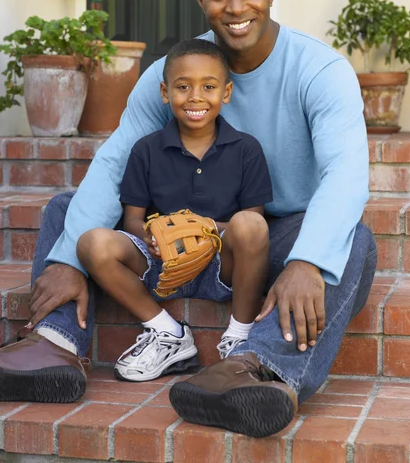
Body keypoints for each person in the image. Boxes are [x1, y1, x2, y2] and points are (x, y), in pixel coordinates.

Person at [0, 0, 377, 439]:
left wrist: (306, 261)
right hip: (170, 234)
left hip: (266, 236)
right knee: (67, 210)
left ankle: (263, 371)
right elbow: (116, 161)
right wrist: (67, 260)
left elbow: (346, 176)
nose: (236, 8)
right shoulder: (173, 74)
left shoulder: (320, 71)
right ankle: (54, 345)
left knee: (351, 243)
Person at [77, 38, 273, 382]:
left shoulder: (247, 150)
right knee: (93, 242)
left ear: (225, 93)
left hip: (219, 267)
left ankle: (241, 338)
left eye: (208, 87)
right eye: (183, 87)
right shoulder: (146, 150)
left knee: (250, 226)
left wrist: (203, 228)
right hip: (160, 261)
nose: (196, 97)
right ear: (165, 93)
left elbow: (252, 223)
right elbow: (132, 220)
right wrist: (153, 235)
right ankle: (168, 334)